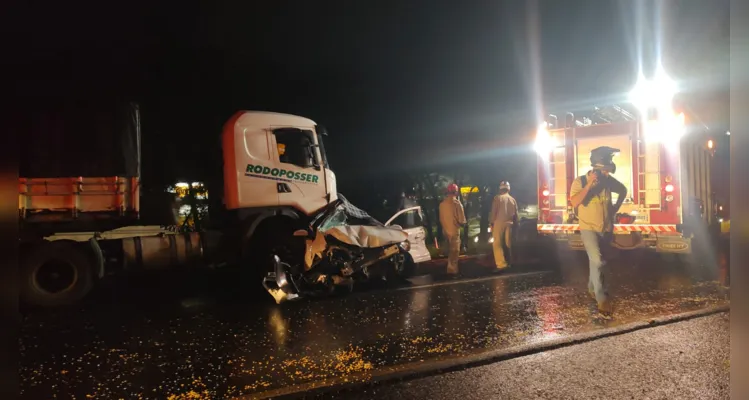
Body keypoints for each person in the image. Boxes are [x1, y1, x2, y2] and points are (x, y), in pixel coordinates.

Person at [569, 146, 627, 316]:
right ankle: (602, 299)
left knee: (596, 261)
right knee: (598, 261)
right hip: (589, 228)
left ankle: (591, 288)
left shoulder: (608, 181)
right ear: (596, 169)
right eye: (606, 171)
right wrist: (588, 186)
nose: (608, 174)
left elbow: (623, 190)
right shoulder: (579, 181)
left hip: (606, 228)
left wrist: (615, 208)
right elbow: (574, 202)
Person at [439, 183, 467, 276]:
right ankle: (452, 271)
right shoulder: (457, 203)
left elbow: (441, 218)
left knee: (448, 250)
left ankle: (447, 268)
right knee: (454, 251)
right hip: (454, 230)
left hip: (445, 231)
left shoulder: (442, 204)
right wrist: (463, 224)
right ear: (456, 192)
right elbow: (462, 220)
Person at [490, 181, 518, 271]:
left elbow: (494, 212)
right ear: (508, 189)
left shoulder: (497, 198)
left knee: (497, 243)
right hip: (509, 223)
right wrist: (516, 223)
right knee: (508, 243)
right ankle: (510, 262)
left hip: (499, 222)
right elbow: (516, 214)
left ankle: (501, 265)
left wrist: (491, 223)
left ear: (500, 189)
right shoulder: (512, 199)